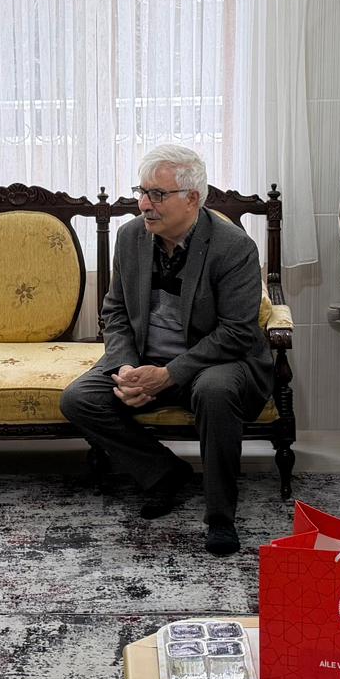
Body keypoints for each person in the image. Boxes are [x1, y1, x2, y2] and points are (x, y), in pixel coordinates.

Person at [59, 144, 272, 556]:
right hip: (146, 359)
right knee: (79, 399)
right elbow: (116, 311)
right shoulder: (130, 237)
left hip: (215, 363)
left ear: (192, 198)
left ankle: (220, 517)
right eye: (141, 192)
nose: (144, 204)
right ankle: (164, 473)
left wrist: (170, 374)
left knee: (214, 391)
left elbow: (237, 333)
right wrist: (125, 367)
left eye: (157, 194)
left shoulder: (233, 247)